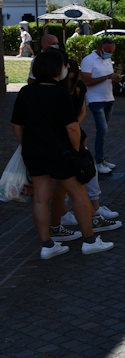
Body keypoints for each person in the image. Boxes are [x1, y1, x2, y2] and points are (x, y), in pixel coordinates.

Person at [11, 49, 114, 259]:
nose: (66, 68)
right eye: (63, 65)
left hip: (34, 152)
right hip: (61, 151)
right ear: (56, 69)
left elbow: (16, 124)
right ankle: (90, 240)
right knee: (78, 194)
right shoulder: (59, 93)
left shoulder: (25, 91)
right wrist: (76, 151)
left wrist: (26, 145)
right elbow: (72, 127)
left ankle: (47, 244)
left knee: (40, 198)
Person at [57, 59, 121, 231]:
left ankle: (92, 211)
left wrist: (75, 125)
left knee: (86, 173)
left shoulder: (78, 87)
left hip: (74, 132)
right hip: (65, 136)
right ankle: (87, 225)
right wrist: (72, 127)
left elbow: (81, 111)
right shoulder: (58, 91)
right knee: (71, 183)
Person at [81, 38, 121, 174]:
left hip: (109, 98)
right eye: (108, 51)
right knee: (102, 130)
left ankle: (102, 158)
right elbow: (86, 81)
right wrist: (107, 77)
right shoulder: (88, 60)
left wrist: (115, 79)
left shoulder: (107, 59)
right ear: (100, 48)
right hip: (95, 100)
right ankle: (97, 161)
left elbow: (108, 78)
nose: (110, 54)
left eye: (112, 52)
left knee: (103, 131)